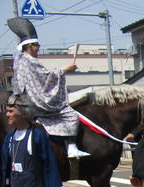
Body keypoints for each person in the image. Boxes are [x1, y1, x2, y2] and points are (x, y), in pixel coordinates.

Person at [7, 17, 89, 159]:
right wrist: (66, 69)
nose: (38, 48)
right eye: (37, 45)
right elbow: (46, 77)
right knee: (70, 115)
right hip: (36, 102)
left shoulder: (20, 61)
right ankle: (71, 147)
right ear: (30, 46)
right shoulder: (29, 60)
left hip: (25, 100)